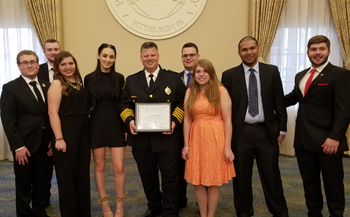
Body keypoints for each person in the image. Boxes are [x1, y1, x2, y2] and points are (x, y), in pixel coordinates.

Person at [221, 36, 289, 217]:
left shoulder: (272, 72)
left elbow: (279, 101)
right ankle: (243, 211)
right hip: (241, 133)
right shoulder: (228, 75)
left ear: (258, 49)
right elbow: (224, 109)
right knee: (241, 176)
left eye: (252, 48)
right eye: (244, 50)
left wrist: (282, 128)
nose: (248, 52)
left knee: (271, 174)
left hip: (266, 131)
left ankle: (279, 211)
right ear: (239, 53)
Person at [284, 35, 350, 217]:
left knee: (333, 184)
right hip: (304, 141)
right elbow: (292, 98)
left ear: (329, 51)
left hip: (328, 142)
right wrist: (265, 102)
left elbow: (344, 110)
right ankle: (314, 213)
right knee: (310, 183)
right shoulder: (301, 75)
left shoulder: (340, 74)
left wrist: (335, 137)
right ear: (308, 52)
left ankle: (336, 214)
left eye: (321, 49)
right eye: (313, 49)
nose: (317, 53)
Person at [119, 42, 186, 217]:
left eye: (152, 55)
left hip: (168, 138)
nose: (149, 58)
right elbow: (124, 105)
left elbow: (182, 103)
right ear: (141, 58)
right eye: (146, 55)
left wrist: (173, 121)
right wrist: (131, 120)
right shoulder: (132, 80)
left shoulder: (173, 79)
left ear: (158, 56)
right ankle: (154, 207)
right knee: (148, 177)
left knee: (171, 177)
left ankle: (170, 210)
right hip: (142, 141)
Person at [1, 50, 52, 217]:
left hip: (46, 145)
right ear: (18, 66)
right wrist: (18, 146)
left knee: (43, 181)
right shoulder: (10, 88)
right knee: (24, 184)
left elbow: (51, 115)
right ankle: (24, 213)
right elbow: (8, 121)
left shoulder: (47, 85)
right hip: (25, 146)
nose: (29, 65)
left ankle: (39, 211)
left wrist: (53, 139)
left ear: (38, 64)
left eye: (32, 61)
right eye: (25, 62)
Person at [182, 58, 235, 217]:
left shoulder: (221, 91)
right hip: (196, 139)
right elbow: (187, 120)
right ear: (194, 75)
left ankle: (210, 215)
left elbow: (227, 121)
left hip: (215, 139)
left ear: (211, 73)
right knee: (197, 182)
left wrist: (227, 147)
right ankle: (203, 214)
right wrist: (186, 145)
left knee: (212, 182)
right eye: (198, 71)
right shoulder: (190, 92)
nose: (201, 74)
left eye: (205, 71)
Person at [84, 43, 127, 217]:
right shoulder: (88, 78)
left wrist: (125, 127)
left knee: (119, 167)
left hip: (116, 124)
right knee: (99, 166)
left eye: (111, 57)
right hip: (96, 125)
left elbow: (122, 104)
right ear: (98, 56)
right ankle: (104, 204)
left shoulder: (120, 78)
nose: (108, 60)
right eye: (105, 56)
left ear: (115, 58)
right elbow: (86, 104)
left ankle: (119, 205)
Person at [47, 51, 91, 217]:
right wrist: (59, 138)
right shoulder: (57, 84)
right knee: (67, 178)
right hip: (65, 133)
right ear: (58, 67)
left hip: (82, 134)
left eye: (70, 63)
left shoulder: (78, 81)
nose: (68, 67)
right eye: (63, 64)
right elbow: (52, 113)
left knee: (81, 176)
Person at [178, 42, 200, 209]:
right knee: (178, 169)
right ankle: (180, 201)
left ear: (197, 56)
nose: (188, 58)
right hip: (179, 131)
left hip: (201, 131)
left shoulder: (206, 78)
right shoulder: (174, 79)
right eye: (185, 55)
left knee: (202, 168)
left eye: (191, 55)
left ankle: (203, 205)